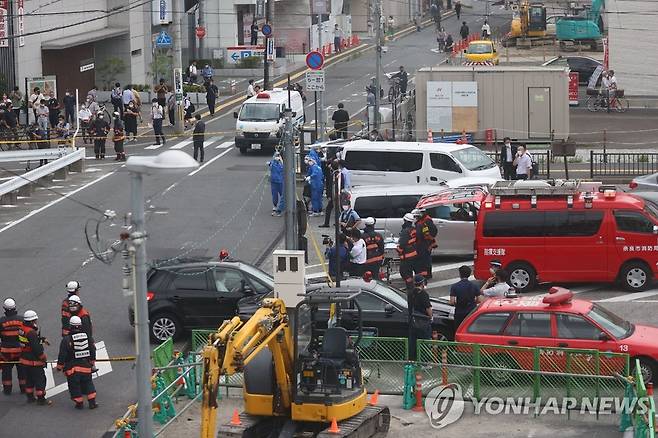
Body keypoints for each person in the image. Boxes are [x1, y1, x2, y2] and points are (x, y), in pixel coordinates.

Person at [57, 316, 97, 409]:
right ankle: (92, 402)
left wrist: (59, 366)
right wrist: (92, 362)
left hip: (72, 368)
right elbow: (92, 349)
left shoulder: (66, 339)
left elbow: (62, 354)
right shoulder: (87, 337)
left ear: (70, 326)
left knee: (74, 386)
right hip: (86, 366)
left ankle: (79, 403)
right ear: (80, 326)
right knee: (88, 383)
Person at [20, 310, 50, 405]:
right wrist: (43, 357)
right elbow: (36, 348)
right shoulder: (31, 332)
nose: (36, 322)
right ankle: (41, 399)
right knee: (40, 380)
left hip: (24, 360)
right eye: (35, 320)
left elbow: (28, 341)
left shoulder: (22, 329)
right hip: (34, 361)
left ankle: (30, 397)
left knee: (29, 380)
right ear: (32, 321)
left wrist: (41, 339)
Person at [1, 298, 26, 395]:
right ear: (15, 307)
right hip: (20, 350)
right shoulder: (22, 320)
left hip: (6, 352)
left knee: (6, 371)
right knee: (22, 370)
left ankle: (7, 390)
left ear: (5, 309)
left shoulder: (1, 321)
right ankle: (23, 388)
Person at [408, 274, 432, 361]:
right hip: (423, 321)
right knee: (424, 341)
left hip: (413, 320)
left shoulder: (410, 293)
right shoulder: (423, 294)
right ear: (422, 283)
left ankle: (412, 360)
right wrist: (431, 317)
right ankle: (424, 361)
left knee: (412, 342)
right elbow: (428, 308)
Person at [398, 213, 419, 291]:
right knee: (409, 271)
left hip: (407, 255)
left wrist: (398, 249)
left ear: (405, 221)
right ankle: (410, 286)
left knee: (404, 272)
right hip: (413, 253)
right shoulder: (413, 229)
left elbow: (402, 244)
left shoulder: (405, 231)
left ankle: (410, 287)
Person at [414, 209, 438, 279]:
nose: (416, 218)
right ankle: (427, 274)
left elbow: (431, 232)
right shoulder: (423, 221)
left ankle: (426, 275)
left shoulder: (426, 221)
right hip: (424, 243)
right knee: (425, 259)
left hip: (424, 244)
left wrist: (428, 240)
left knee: (425, 260)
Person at [268, 152, 284, 216]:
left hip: (281, 182)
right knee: (274, 195)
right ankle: (275, 206)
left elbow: (283, 168)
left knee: (282, 195)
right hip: (274, 182)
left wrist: (281, 161)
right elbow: (271, 166)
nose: (277, 157)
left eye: (278, 156)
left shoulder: (281, 164)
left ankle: (281, 208)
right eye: (276, 156)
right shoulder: (273, 163)